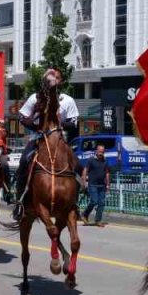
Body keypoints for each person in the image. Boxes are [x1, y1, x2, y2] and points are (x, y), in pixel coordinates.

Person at [11, 67, 79, 219]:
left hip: (59, 140)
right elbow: (22, 117)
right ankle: (20, 203)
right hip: (37, 139)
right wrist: (35, 126)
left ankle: (74, 202)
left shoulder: (67, 100)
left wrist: (60, 125)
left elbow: (74, 122)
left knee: (78, 164)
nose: (52, 80)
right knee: (23, 163)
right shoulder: (35, 98)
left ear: (59, 81)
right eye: (49, 78)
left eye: (55, 77)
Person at [80, 144, 110, 227]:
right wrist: (84, 182)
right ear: (96, 151)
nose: (101, 153)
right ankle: (85, 214)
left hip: (102, 185)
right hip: (92, 184)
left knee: (102, 203)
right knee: (94, 201)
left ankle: (98, 220)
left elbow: (107, 173)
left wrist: (108, 185)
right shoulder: (91, 160)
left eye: (102, 152)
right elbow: (85, 170)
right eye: (99, 151)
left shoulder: (105, 161)